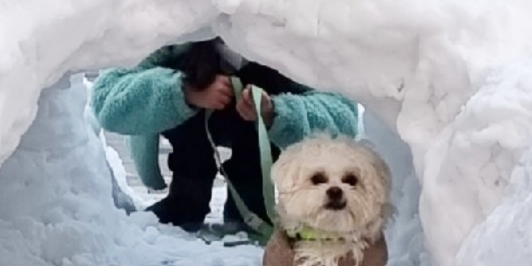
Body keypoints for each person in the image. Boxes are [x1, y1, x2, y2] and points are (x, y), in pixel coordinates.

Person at [92, 39, 359, 233]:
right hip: (190, 128)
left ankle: (251, 197)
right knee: (190, 88)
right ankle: (187, 193)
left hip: (256, 137)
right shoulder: (175, 31)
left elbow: (343, 116)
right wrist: (184, 92)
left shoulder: (284, 40)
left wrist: (276, 112)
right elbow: (107, 99)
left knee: (260, 92)